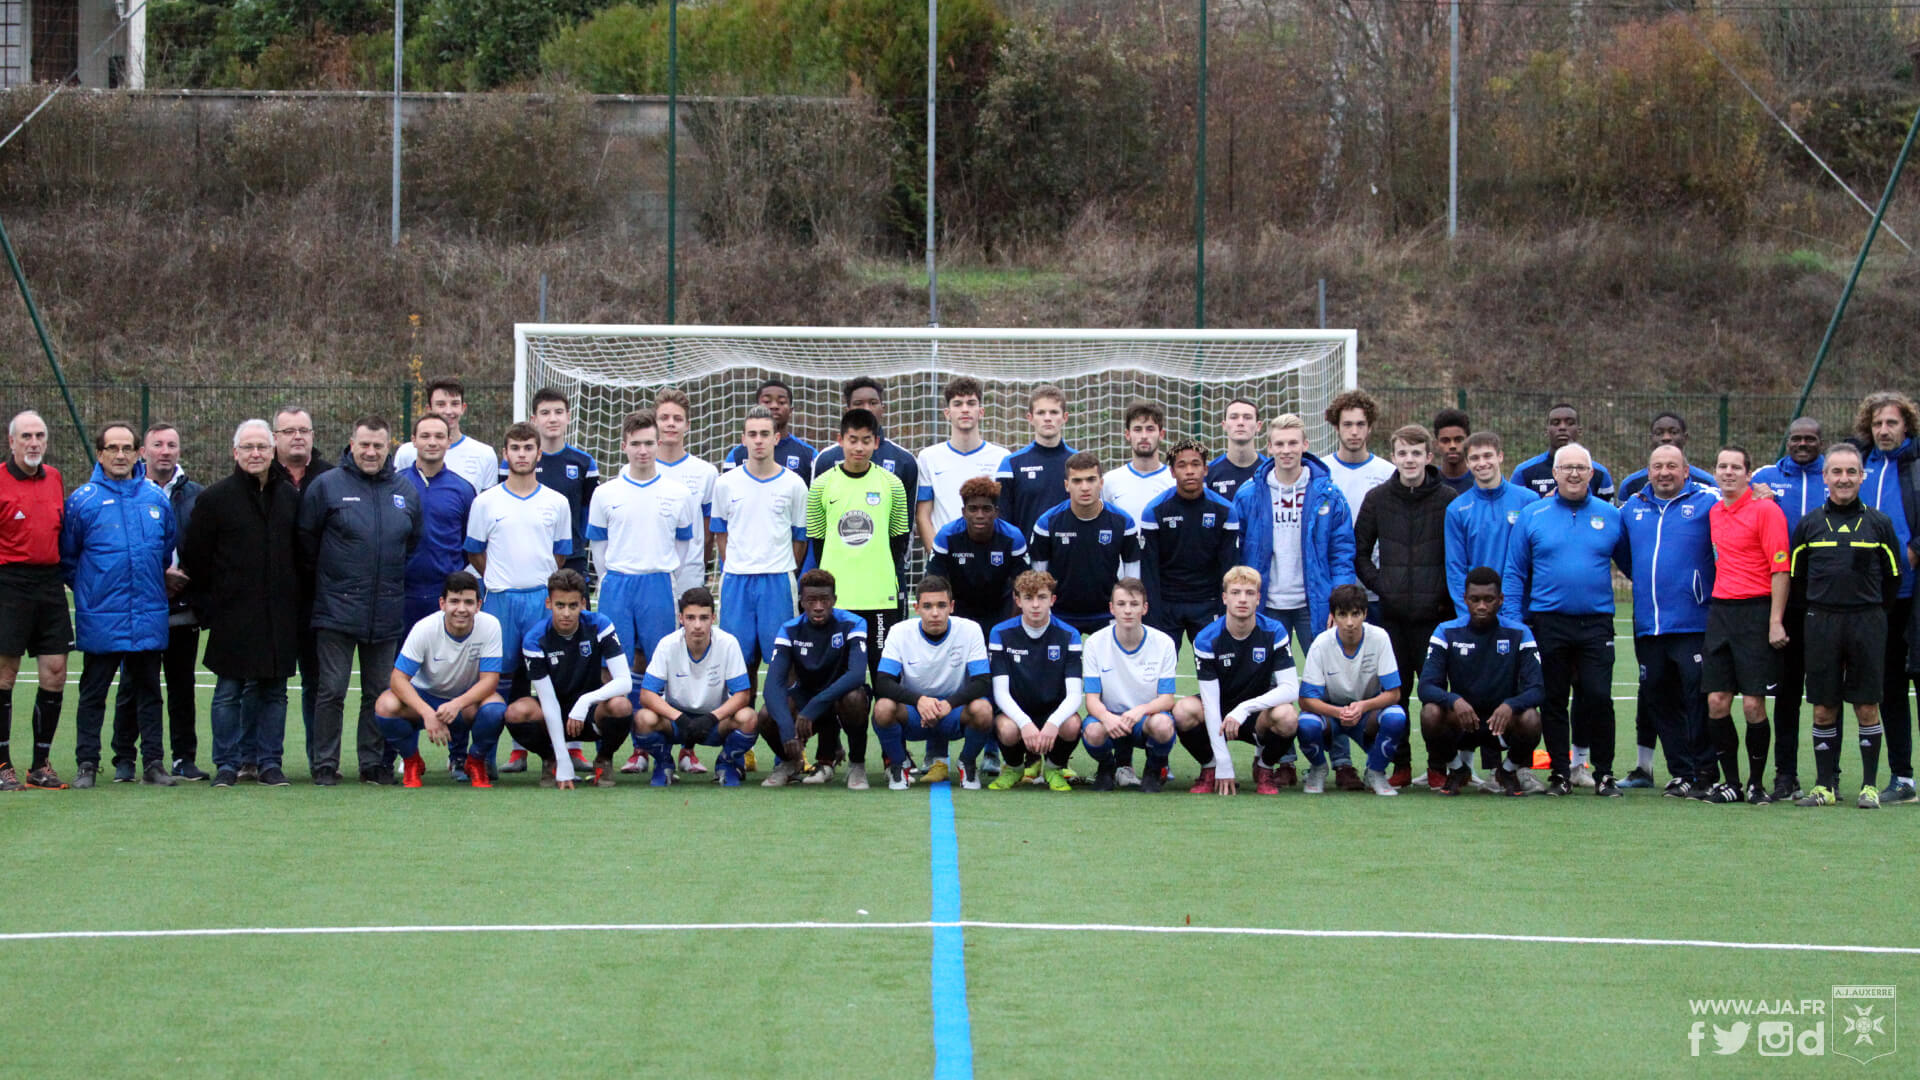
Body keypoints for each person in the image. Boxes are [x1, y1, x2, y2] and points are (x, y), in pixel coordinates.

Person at [297, 415, 423, 786]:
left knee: (378, 693)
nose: (370, 452)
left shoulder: (405, 491)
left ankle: (371, 763)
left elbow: (411, 543)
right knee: (331, 691)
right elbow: (307, 542)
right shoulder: (327, 486)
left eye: (378, 446)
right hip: (336, 609)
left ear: (390, 448)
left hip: (385, 610)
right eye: (364, 444)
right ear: (351, 444)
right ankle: (324, 764)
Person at [1230, 413, 1357, 779]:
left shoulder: (1328, 493)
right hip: (1267, 605)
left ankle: (1342, 762)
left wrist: (1339, 602)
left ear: (1305, 445)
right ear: (1268, 447)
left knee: (1328, 682)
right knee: (1275, 686)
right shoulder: (1250, 494)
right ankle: (1281, 760)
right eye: (1279, 444)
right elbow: (1238, 553)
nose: (1286, 450)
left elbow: (1342, 550)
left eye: (1293, 443)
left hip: (1313, 604)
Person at [1502, 442, 1628, 797]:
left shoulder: (1611, 516)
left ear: (1592, 474)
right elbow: (1514, 572)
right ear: (1554, 474)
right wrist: (1514, 622)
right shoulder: (1533, 515)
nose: (1574, 473)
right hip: (1548, 622)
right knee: (1553, 699)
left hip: (1596, 623)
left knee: (1598, 697)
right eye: (1566, 467)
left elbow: (1633, 565)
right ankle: (1560, 773)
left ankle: (1603, 773)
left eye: (1581, 468)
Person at [181, 419, 301, 788]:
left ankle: (269, 763)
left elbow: (300, 554)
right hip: (232, 615)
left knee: (275, 693)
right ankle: (227, 765)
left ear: (273, 451)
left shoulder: (290, 497)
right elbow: (196, 560)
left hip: (279, 613)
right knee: (228, 692)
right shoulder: (215, 499)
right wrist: (212, 607)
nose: (256, 453)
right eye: (248, 447)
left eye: (262, 447)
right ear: (235, 453)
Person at [62, 422, 176, 789]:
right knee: (93, 692)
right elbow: (68, 558)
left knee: (149, 693)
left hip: (147, 613)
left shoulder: (156, 498)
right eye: (113, 448)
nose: (121, 454)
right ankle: (87, 764)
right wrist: (92, 592)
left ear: (137, 453)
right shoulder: (83, 500)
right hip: (102, 615)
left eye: (127, 447)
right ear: (100, 454)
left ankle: (154, 763)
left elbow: (164, 550)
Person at [1790, 443, 1904, 808]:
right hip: (1821, 622)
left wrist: (1869, 612)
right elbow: (1797, 580)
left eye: (1851, 472)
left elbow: (1892, 580)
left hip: (1867, 621)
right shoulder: (1808, 525)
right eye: (1836, 472)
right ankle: (1825, 786)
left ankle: (1869, 786)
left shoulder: (1879, 524)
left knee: (1867, 705)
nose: (1843, 479)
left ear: (1861, 476)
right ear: (1825, 477)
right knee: (1823, 707)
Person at [1352, 424, 1458, 788]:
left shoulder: (1447, 499)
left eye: (1416, 453)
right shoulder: (1377, 499)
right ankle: (1400, 763)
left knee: (1434, 698)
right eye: (1402, 453)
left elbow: (1457, 556)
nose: (1409, 460)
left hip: (1436, 618)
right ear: (1393, 457)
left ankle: (1438, 766)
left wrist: (1444, 594)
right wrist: (1384, 587)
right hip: (1392, 617)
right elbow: (1360, 554)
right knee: (1394, 694)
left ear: (1429, 457)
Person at [470, 422, 575, 777]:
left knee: (548, 677)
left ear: (538, 454)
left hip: (539, 601)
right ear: (505, 454)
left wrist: (535, 583)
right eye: (515, 448)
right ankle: (486, 755)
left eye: (528, 448)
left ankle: (555, 751)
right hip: (500, 600)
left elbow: (559, 557)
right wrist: (502, 579)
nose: (521, 454)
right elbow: (475, 553)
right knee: (497, 681)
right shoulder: (485, 502)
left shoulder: (556, 502)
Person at [707, 406, 806, 776]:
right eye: (752, 434)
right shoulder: (726, 483)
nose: (759, 440)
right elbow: (720, 535)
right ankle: (739, 750)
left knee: (784, 670)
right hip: (736, 583)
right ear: (744, 438)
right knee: (739, 667)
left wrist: (777, 567)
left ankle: (787, 750)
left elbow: (799, 540)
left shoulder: (794, 483)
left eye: (766, 434)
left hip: (777, 581)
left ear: (776, 438)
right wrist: (739, 565)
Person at [1616, 444, 1718, 797]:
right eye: (1657, 466)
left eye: (1671, 466)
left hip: (1693, 622)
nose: (1664, 472)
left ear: (1686, 471)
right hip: (1648, 624)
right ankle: (1682, 772)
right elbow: (1624, 555)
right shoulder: (1632, 508)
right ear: (1648, 472)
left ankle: (1706, 769)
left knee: (1697, 697)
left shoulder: (1707, 503)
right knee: (1659, 697)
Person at [1702, 444, 1792, 804]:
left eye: (1735, 467)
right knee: (1717, 701)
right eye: (1722, 466)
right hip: (1721, 612)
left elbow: (1781, 568)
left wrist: (1775, 621)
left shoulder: (1766, 511)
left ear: (1748, 473)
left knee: (1754, 706)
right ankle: (1732, 783)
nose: (1727, 472)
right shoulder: (1713, 512)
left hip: (1757, 612)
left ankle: (1756, 784)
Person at [1172, 566, 1301, 795]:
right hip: (1220, 712)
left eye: (1250, 593)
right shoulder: (1206, 639)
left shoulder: (1274, 631)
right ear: (1224, 598)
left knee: (1288, 716)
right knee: (1182, 710)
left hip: (1258, 714)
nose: (1242, 599)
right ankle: (1209, 768)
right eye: (1236, 592)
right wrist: (1223, 763)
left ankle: (1264, 768)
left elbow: (1291, 689)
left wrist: (1244, 708)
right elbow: (1211, 704)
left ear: (1259, 598)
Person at [375, 571, 509, 788]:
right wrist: (427, 713)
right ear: (442, 603)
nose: (461, 609)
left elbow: (490, 681)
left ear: (479, 605)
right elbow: (398, 679)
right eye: (454, 601)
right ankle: (412, 761)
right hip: (426, 697)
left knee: (495, 709)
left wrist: (456, 704)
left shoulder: (490, 625)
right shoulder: (424, 628)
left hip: (464, 702)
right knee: (385, 705)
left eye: (468, 602)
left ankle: (474, 761)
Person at [807, 407, 912, 684]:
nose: (859, 447)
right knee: (836, 680)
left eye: (866, 440)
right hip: (838, 600)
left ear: (876, 442)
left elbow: (898, 540)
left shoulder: (892, 484)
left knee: (885, 680)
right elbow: (817, 541)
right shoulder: (821, 485)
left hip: (879, 599)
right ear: (839, 440)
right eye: (853, 439)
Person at [1750, 416, 1826, 800]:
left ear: (1820, 441)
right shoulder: (1764, 477)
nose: (1802, 444)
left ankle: (1828, 776)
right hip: (1781, 599)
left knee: (1827, 693)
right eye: (1795, 438)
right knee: (1787, 693)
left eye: (1810, 439)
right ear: (1787, 440)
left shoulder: (1834, 475)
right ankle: (1785, 773)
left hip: (1828, 601)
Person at [502, 570, 634, 789]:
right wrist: (564, 761)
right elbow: (547, 700)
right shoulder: (535, 639)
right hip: (552, 711)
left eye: (573, 606)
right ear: (548, 604)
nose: (566, 613)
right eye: (560, 605)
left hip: (590, 712)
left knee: (621, 705)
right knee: (516, 712)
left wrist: (585, 702)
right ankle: (551, 760)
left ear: (583, 603)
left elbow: (624, 682)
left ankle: (603, 759)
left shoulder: (599, 625)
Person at [1850, 391, 1920, 804]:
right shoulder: (1859, 464)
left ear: (1906, 425)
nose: (1883, 431)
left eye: (1891, 423)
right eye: (1877, 424)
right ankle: (1903, 778)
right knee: (1889, 688)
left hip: (1914, 593)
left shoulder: (1915, 465)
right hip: (1874, 601)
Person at [1418, 568, 1545, 796]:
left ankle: (1507, 771)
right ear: (1465, 599)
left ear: (1500, 600)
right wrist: (1454, 700)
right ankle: (1458, 770)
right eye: (1475, 600)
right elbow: (1426, 686)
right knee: (1430, 713)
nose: (1482, 606)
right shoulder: (1446, 631)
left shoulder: (1520, 633)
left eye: (1489, 599)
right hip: (1463, 723)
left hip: (1501, 724)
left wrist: (1510, 705)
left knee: (1531, 718)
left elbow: (1537, 689)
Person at [589, 410, 699, 672]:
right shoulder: (604, 493)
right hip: (617, 583)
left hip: (658, 583)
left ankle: (655, 712)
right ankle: (616, 712)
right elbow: (598, 546)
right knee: (612, 663)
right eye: (636, 443)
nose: (642, 450)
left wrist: (667, 571)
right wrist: (611, 576)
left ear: (658, 444)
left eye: (649, 443)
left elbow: (683, 545)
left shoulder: (679, 494)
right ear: (624, 446)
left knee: (660, 662)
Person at [0, 410, 68, 791]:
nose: (33, 443)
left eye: (39, 435)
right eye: (26, 436)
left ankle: (40, 764)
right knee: (5, 675)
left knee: (56, 671)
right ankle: (2, 763)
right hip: (8, 583)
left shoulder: (55, 478)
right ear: (11, 442)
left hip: (50, 584)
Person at [873, 575, 993, 790]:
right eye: (927, 606)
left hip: (953, 712)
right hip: (915, 714)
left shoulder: (970, 630)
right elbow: (882, 682)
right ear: (916, 607)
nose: (935, 613)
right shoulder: (899, 632)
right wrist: (919, 701)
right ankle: (899, 765)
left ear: (952, 607)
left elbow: (983, 682)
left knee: (983, 709)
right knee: (883, 708)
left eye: (941, 605)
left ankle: (967, 761)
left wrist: (949, 703)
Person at [137, 422, 206, 781]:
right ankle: (127, 758)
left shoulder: (197, 494)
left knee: (182, 686)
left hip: (184, 605)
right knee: (138, 685)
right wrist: (157, 576)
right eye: (158, 444)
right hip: (140, 606)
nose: (165, 450)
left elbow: (207, 546)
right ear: (143, 451)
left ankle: (184, 757)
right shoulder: (130, 490)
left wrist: (184, 577)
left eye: (172, 445)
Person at [758, 570, 871, 788]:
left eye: (824, 600)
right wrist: (786, 728)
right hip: (805, 702)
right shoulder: (789, 629)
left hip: (837, 700)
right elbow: (773, 685)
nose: (818, 606)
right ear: (801, 601)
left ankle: (857, 765)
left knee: (855, 699)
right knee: (765, 715)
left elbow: (857, 674)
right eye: (811, 600)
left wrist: (814, 707)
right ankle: (791, 763)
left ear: (834, 600)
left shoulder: (853, 623)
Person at [1295, 585, 1410, 796]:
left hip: (1367, 713)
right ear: (1333, 616)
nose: (1349, 622)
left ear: (1365, 614)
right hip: (1331, 715)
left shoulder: (1380, 638)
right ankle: (1318, 768)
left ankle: (1375, 772)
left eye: (1355, 614)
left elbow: (1394, 693)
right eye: (1342, 614)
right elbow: (1306, 700)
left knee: (1396, 716)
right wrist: (1339, 712)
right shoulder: (1321, 644)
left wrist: (1362, 706)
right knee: (1306, 723)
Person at [635, 587, 755, 786]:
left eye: (704, 618)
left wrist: (711, 718)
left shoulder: (728, 643)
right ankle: (664, 762)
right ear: (680, 618)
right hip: (676, 721)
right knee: (643, 719)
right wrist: (679, 718)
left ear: (713, 618)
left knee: (749, 718)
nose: (697, 625)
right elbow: (647, 695)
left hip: (715, 721)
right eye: (691, 618)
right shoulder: (667, 644)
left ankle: (726, 763)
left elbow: (742, 695)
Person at [270, 404, 331, 780]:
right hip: (272, 601)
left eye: (303, 430)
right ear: (275, 437)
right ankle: (264, 761)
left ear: (312, 436)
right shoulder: (259, 475)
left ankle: (319, 760)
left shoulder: (331, 478)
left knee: (317, 684)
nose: (297, 436)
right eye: (289, 430)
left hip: (319, 601)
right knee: (269, 684)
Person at [984, 571, 1085, 793]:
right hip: (1017, 711)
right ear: (1018, 600)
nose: (1035, 605)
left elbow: (1075, 695)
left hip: (1052, 711)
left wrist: (1054, 722)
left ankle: (1053, 767)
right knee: (1006, 728)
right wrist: (1024, 723)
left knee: (1072, 724)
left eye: (1041, 597)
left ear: (1053, 600)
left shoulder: (1070, 635)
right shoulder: (1000, 633)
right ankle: (1014, 767)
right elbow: (1000, 692)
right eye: (1028, 598)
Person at [1140, 436, 1239, 651]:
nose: (1190, 471)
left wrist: (1225, 608)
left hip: (1208, 602)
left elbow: (1229, 567)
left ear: (1205, 469)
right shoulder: (1155, 511)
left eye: (1195, 464)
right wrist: (1153, 613)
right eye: (1182, 465)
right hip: (1167, 604)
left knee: (1218, 667)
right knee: (1158, 669)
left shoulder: (1225, 511)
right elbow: (1148, 569)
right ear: (1173, 472)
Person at [1080, 579, 1180, 792]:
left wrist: (1139, 711)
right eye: (1121, 604)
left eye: (1134, 604)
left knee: (1163, 725)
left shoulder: (1164, 643)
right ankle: (1107, 767)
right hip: (1110, 717)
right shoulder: (1094, 643)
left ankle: (1153, 770)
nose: (1127, 610)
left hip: (1144, 720)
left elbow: (1167, 699)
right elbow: (1091, 699)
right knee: (1093, 732)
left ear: (1144, 608)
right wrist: (1107, 718)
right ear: (1111, 608)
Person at [1029, 452, 1142, 634]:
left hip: (1108, 614)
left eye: (1091, 480)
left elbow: (1132, 578)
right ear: (1067, 485)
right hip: (1059, 614)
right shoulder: (1047, 523)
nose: (1085, 487)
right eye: (1077, 481)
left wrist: (1125, 609)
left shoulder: (1123, 523)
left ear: (1101, 483)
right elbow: (1038, 578)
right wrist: (1045, 611)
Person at [1444, 432, 1537, 620]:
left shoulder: (1528, 501)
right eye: (1475, 458)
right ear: (1468, 463)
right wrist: (1467, 615)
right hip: (1478, 614)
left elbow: (1538, 561)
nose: (1482, 463)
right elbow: (1455, 568)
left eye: (1488, 456)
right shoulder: (1457, 509)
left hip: (1522, 612)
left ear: (1500, 456)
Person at [398, 414, 479, 630]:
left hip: (446, 593)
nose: (432, 442)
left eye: (439, 436)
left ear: (448, 442)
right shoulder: (395, 485)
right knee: (400, 662)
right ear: (413, 440)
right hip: (401, 593)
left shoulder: (463, 489)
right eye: (425, 436)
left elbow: (467, 543)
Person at [814, 378, 920, 534]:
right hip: (838, 555)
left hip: (882, 556)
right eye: (858, 403)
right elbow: (817, 522)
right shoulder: (826, 459)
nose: (867, 409)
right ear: (848, 410)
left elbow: (906, 525)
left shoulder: (905, 460)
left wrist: (897, 558)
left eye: (873, 403)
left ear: (882, 409)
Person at [915, 376, 1008, 552]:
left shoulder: (1002, 457)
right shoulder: (928, 457)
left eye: (971, 403)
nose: (965, 409)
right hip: (946, 559)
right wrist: (937, 555)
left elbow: (1005, 513)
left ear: (981, 411)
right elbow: (923, 515)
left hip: (989, 558)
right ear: (947, 413)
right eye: (958, 404)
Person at [926, 476, 1029, 629]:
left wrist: (1009, 628)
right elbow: (934, 584)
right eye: (973, 509)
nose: (979, 515)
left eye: (986, 509)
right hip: (959, 611)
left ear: (996, 512)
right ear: (963, 512)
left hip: (1001, 609)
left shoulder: (1013, 537)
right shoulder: (946, 536)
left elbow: (1023, 587)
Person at [523, 387, 600, 590]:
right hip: (529, 556)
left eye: (558, 412)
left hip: (572, 557)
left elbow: (589, 511)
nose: (552, 419)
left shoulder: (584, 463)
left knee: (576, 619)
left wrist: (579, 543)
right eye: (545, 413)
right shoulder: (519, 461)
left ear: (568, 417)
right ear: (534, 419)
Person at [653, 388, 719, 603]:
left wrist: (698, 560)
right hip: (649, 570)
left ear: (687, 425)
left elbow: (709, 532)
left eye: (677, 418)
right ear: (654, 424)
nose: (671, 423)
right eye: (664, 418)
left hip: (690, 571)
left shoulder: (706, 472)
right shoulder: (634, 470)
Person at [393, 377, 499, 493]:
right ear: (429, 409)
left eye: (454, 404)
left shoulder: (485, 454)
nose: (448, 411)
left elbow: (487, 506)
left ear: (463, 408)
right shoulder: (407, 452)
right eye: (441, 404)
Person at [995, 385, 1075, 538]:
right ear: (1030, 418)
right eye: (1040, 412)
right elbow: (1002, 521)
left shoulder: (1079, 463)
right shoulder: (1011, 464)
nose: (1047, 418)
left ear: (1064, 417)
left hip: (1070, 557)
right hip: (1025, 558)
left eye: (1053, 412)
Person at [1511, 404, 1616, 500]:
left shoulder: (1600, 474)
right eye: (1556, 423)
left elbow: (1607, 515)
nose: (1562, 427)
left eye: (1570, 423)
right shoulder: (1524, 472)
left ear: (1579, 430)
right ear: (1546, 431)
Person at [724, 378, 816, 478]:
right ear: (756, 407)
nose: (774, 406)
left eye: (781, 402)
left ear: (791, 410)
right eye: (767, 401)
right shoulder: (736, 455)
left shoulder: (809, 455)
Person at [1614, 412, 1715, 504]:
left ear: (1685, 438)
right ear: (1651, 439)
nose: (1666, 437)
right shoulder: (1631, 484)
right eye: (1659, 433)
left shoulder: (1707, 484)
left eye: (1674, 432)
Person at [1101, 400, 1173, 523]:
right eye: (1138, 429)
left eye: (1150, 429)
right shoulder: (1109, 481)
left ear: (1161, 434)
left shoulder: (1174, 481)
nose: (1144, 436)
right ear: (1128, 434)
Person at [1206, 397, 1267, 503]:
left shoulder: (1270, 470)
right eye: (1234, 417)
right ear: (1224, 425)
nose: (1240, 422)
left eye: (1247, 417)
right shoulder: (1209, 473)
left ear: (1258, 426)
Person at [1432, 409, 1473, 494]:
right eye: (1445, 441)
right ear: (1436, 444)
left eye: (1459, 440)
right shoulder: (1429, 482)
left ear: (1469, 441)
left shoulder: (1480, 481)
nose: (1452, 446)